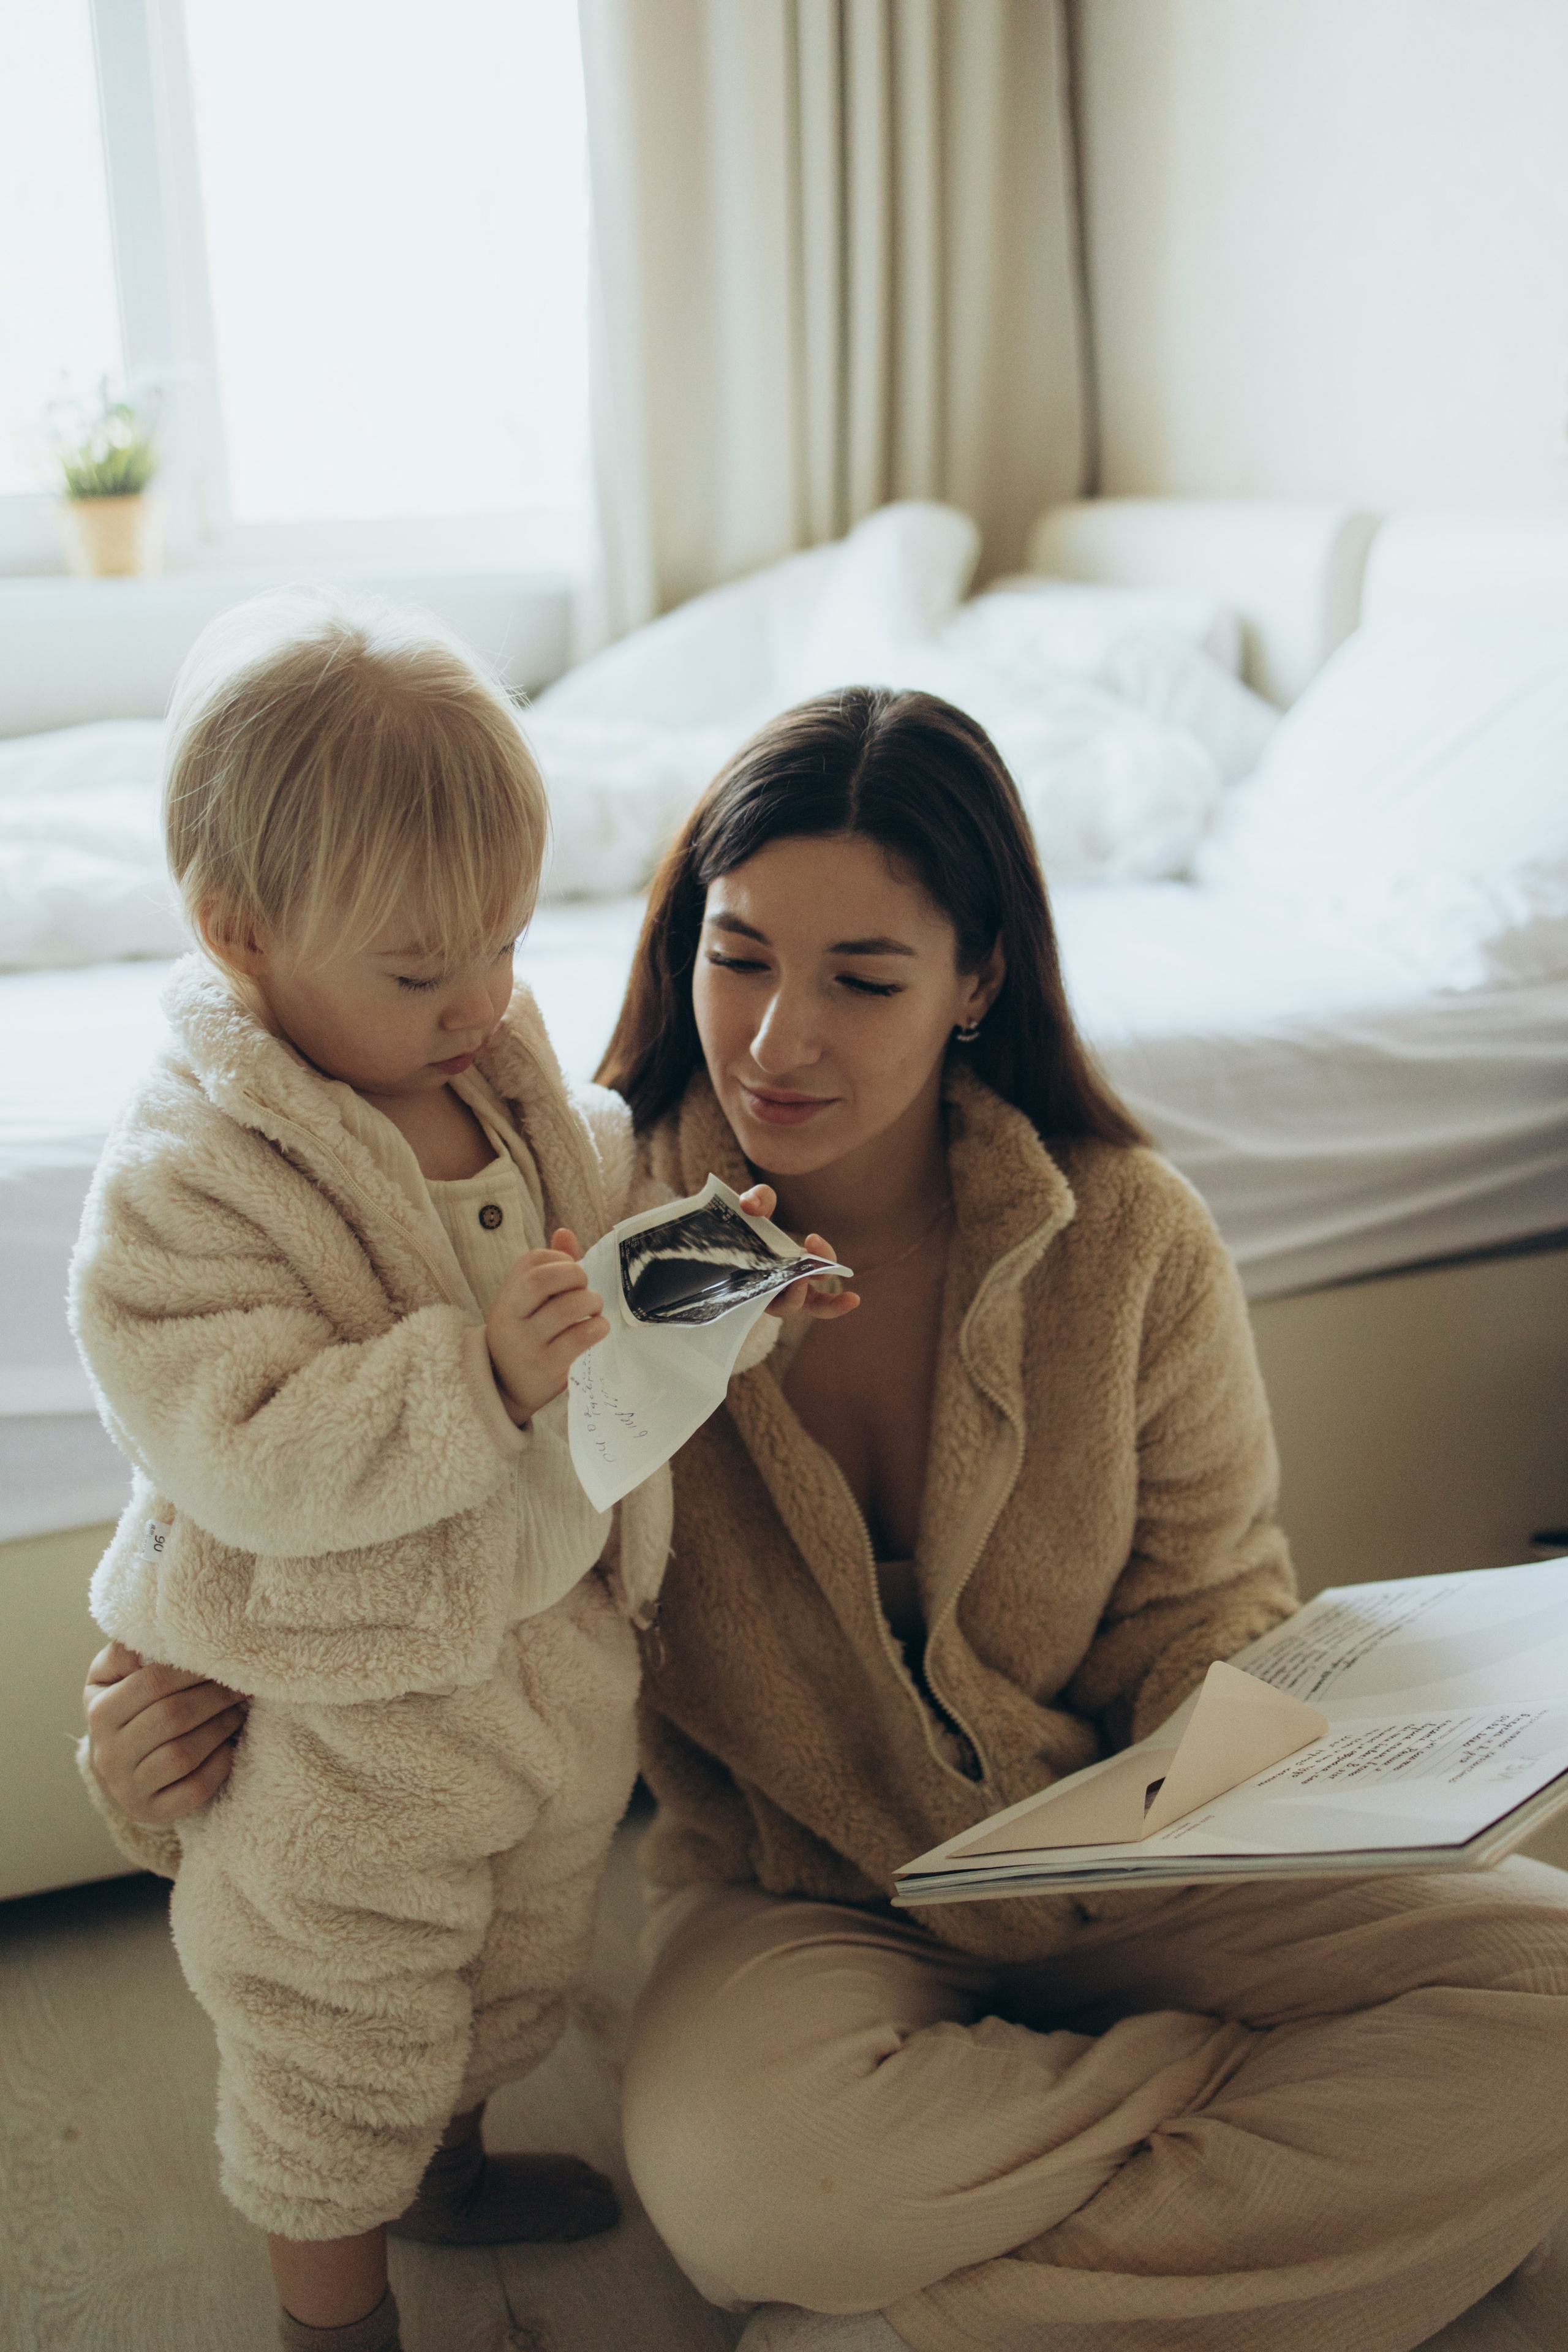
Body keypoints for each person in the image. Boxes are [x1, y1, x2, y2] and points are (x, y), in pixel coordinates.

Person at [88, 687, 1568, 2352]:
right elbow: (298, 1462)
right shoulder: (590, 1233)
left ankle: (919, 2309)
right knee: (750, 2190)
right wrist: (147, 1688)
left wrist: (1210, 1768)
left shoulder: (1128, 1239)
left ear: (978, 981)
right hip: (809, 1903)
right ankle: (1299, 2173)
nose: (781, 1038)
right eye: (738, 957)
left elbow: (1213, 1599)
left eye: (864, 980)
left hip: (1148, 1857)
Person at [68, 592, 844, 2352]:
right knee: (336, 2029)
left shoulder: (503, 1085)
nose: (484, 996)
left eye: (501, 942)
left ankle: (458, 2165)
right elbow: (239, 1444)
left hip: (543, 1651)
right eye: (422, 971)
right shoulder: (189, 1185)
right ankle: (333, 2314)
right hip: (347, 1703)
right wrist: (470, 1375)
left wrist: (735, 1285)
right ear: (237, 931)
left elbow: (606, 1297)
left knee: (514, 1965)